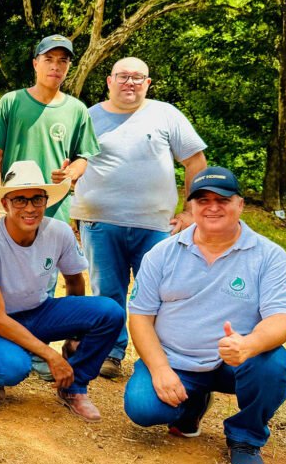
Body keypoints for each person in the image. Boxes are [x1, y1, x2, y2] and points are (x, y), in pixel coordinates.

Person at [124, 166, 286, 464]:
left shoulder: (270, 257)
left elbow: (283, 319)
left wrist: (249, 344)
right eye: (203, 200)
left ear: (240, 204)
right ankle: (191, 406)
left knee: (272, 366)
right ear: (191, 206)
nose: (212, 207)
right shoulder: (161, 254)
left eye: (223, 199)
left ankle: (245, 438)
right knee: (142, 409)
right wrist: (161, 369)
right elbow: (140, 317)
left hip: (235, 363)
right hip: (176, 361)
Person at [72, 57, 207, 379]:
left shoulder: (166, 115)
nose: (129, 82)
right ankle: (111, 352)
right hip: (99, 221)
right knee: (108, 292)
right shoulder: (89, 117)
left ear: (148, 83)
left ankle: (156, 358)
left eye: (137, 77)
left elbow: (196, 161)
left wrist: (191, 211)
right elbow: (72, 165)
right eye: (123, 76)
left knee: (160, 292)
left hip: (156, 225)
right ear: (109, 81)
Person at [0, 161, 124, 422]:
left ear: (46, 201)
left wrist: (77, 332)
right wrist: (50, 355)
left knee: (110, 312)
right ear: (5, 204)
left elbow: (74, 281)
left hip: (40, 310)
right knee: (11, 368)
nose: (30, 208)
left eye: (37, 199)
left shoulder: (58, 232)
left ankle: (75, 387)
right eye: (20, 200)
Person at [0, 35, 99, 224]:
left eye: (63, 61)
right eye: (48, 59)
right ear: (35, 64)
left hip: (55, 208)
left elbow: (83, 157)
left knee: (50, 254)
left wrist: (71, 172)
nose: (55, 66)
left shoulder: (77, 110)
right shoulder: (11, 102)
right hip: (14, 204)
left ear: (69, 66)